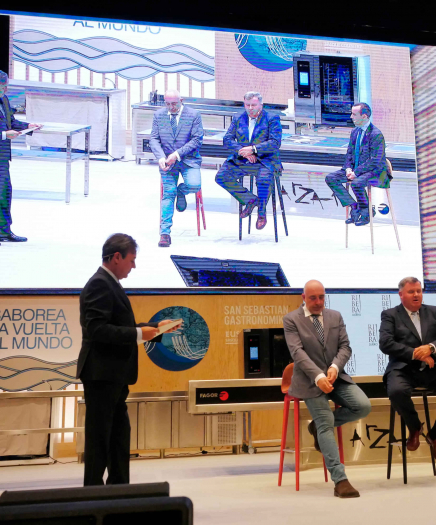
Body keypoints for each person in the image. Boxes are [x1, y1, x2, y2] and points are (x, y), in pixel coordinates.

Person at [76, 233, 180, 485]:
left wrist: (156, 327)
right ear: (116, 257)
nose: (134, 266)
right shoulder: (100, 284)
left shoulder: (109, 282)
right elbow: (97, 329)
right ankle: (93, 495)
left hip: (113, 376)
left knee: (118, 438)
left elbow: (122, 326)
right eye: (131, 260)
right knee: (100, 440)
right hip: (102, 375)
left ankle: (118, 491)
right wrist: (138, 333)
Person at [283, 280, 371, 498]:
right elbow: (297, 353)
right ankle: (340, 480)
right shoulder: (291, 320)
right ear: (304, 297)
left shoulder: (335, 316)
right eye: (313, 297)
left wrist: (334, 367)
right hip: (308, 380)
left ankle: (316, 427)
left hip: (336, 376)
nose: (318, 302)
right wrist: (318, 376)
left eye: (321, 297)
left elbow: (345, 347)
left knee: (363, 406)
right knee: (325, 424)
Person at [379, 276, 436, 463]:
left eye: (419, 291)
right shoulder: (390, 315)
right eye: (412, 291)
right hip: (403, 368)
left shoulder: (433, 311)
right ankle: (414, 427)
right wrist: (416, 353)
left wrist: (431, 348)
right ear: (401, 294)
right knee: (396, 391)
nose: (416, 295)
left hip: (434, 367)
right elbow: (386, 344)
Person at [0, 69, 41, 246]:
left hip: (1, 158)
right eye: (3, 86)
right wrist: (3, 135)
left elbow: (11, 123)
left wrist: (28, 126)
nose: (6, 89)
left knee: (4, 194)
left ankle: (4, 230)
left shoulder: (3, 100)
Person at [215, 91, 281, 231]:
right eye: (247, 105)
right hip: (243, 159)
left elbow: (275, 143)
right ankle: (250, 200)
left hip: (265, 160)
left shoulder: (272, 118)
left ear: (261, 105)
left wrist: (254, 149)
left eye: (254, 105)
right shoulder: (238, 117)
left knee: (264, 179)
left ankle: (261, 213)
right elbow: (227, 140)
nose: (250, 108)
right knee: (221, 177)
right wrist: (243, 151)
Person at [148, 89, 204, 248]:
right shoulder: (159, 115)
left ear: (182, 100)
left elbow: (196, 140)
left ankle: (182, 191)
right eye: (167, 104)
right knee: (168, 192)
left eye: (174, 103)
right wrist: (160, 157)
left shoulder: (194, 115)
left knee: (194, 185)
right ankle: (164, 233)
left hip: (188, 160)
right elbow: (154, 139)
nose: (171, 107)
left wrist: (177, 155)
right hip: (167, 162)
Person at [325, 103, 388, 226]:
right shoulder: (355, 132)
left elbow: (375, 160)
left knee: (356, 183)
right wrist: (348, 168)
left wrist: (356, 172)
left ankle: (366, 211)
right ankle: (354, 206)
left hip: (375, 171)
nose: (351, 117)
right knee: (331, 178)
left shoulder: (376, 134)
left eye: (354, 114)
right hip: (354, 169)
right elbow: (349, 153)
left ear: (364, 116)